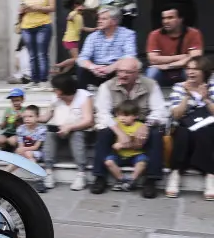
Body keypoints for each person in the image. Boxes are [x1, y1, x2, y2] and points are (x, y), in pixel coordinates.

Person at [91, 57, 167, 197]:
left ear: (137, 72)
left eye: (127, 72)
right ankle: (99, 176)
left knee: (157, 133)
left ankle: (151, 179)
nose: (122, 75)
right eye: (120, 71)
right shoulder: (107, 86)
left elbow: (160, 111)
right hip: (117, 125)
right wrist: (119, 132)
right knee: (103, 132)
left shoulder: (150, 84)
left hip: (142, 125)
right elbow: (102, 113)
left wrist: (146, 126)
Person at [165, 56, 214, 200]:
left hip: (209, 124)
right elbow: (176, 115)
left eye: (195, 69)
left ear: (204, 72)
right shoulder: (179, 87)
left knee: (205, 132)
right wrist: (186, 96)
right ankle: (175, 173)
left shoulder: (212, 87)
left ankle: (210, 175)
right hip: (185, 124)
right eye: (189, 69)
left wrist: (205, 99)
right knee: (182, 132)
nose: (191, 72)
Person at [40, 73, 94, 191]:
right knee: (49, 134)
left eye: (55, 88)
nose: (53, 90)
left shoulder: (84, 96)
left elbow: (88, 121)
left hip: (81, 130)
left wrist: (70, 127)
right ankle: (48, 172)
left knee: (77, 135)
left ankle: (81, 174)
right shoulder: (55, 98)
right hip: (60, 130)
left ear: (61, 90)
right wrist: (33, 118)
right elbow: (46, 117)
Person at [76, 6, 137, 89]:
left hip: (116, 70)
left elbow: (130, 56)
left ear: (114, 21)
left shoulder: (128, 34)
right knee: (81, 69)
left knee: (129, 67)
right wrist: (93, 67)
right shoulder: (92, 36)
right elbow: (82, 58)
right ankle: (82, 98)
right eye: (99, 19)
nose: (99, 21)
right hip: (97, 70)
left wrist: (110, 68)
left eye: (103, 19)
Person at [144, 7, 203, 87]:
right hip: (162, 72)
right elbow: (153, 60)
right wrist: (182, 57)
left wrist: (168, 66)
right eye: (164, 18)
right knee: (152, 72)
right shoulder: (154, 35)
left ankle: (195, 96)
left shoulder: (193, 33)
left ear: (180, 19)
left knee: (195, 70)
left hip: (183, 70)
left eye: (170, 18)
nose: (166, 21)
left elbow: (195, 57)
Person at [19, 0, 56, 88]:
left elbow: (52, 7)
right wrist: (22, 10)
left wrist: (36, 8)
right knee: (32, 54)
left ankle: (44, 79)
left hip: (43, 25)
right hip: (26, 26)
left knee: (41, 54)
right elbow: (21, 9)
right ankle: (34, 80)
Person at [103, 100, 149, 192]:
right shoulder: (116, 123)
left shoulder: (140, 127)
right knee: (108, 161)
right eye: (119, 115)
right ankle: (121, 180)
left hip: (136, 154)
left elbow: (139, 145)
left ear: (135, 116)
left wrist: (123, 145)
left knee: (142, 162)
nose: (122, 118)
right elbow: (106, 120)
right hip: (120, 154)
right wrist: (116, 146)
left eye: (126, 115)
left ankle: (132, 180)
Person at [54, 0, 95, 74]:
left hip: (74, 40)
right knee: (77, 59)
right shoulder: (72, 13)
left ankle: (62, 73)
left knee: (74, 60)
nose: (83, 7)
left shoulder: (80, 16)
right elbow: (69, 18)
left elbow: (83, 28)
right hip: (70, 39)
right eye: (82, 5)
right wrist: (77, 10)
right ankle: (58, 65)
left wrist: (95, 29)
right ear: (76, 6)